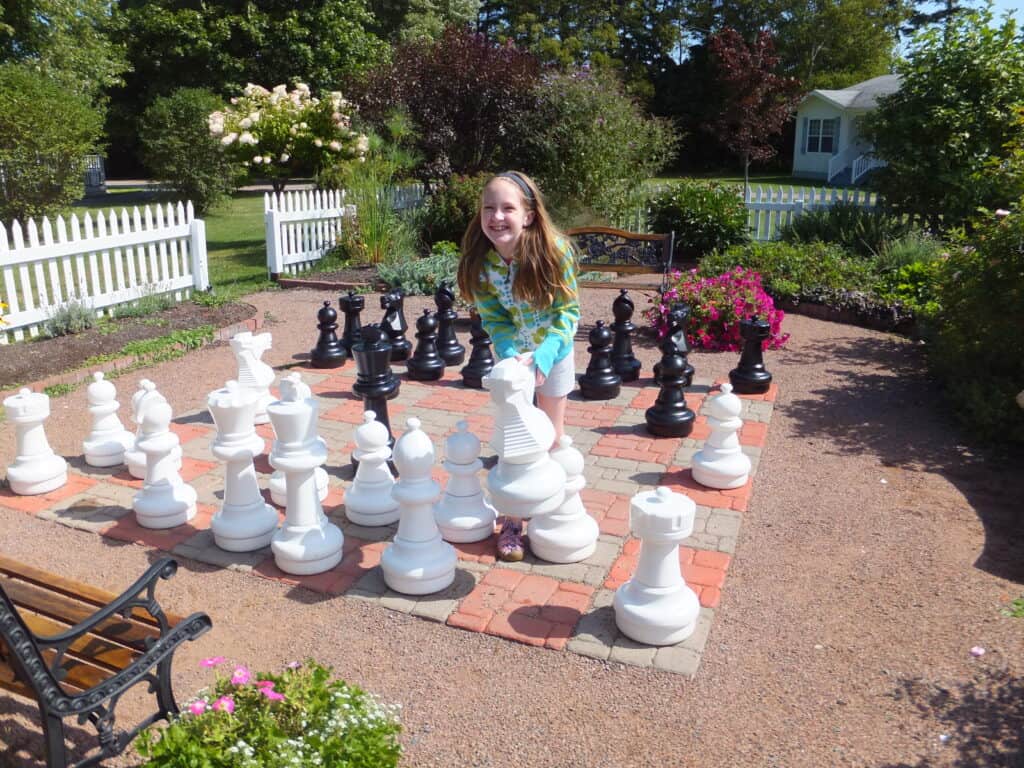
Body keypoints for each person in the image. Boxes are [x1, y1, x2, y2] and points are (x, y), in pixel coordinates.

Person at [457, 171, 580, 562]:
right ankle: (512, 520)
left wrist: (542, 357)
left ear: (527, 215)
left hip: (554, 354)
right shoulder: (481, 264)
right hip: (513, 358)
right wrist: (511, 355)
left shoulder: (555, 251)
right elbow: (494, 319)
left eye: (507, 208)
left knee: (551, 436)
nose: (496, 216)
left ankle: (552, 508)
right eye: (488, 208)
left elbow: (568, 313)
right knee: (515, 439)